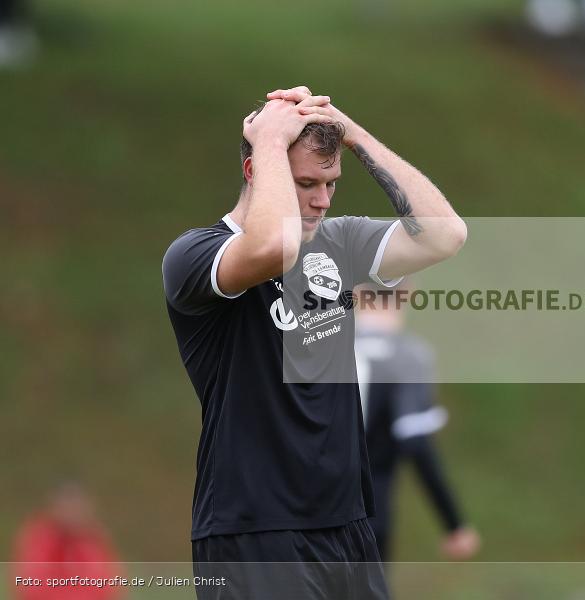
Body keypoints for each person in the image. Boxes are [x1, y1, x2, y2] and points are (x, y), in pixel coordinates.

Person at [162, 85, 466, 599]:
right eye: (306, 183)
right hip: (254, 532)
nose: (322, 200)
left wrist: (353, 134)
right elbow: (273, 247)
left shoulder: (337, 243)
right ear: (255, 170)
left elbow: (444, 234)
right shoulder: (195, 254)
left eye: (331, 183)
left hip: (346, 523)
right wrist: (270, 141)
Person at [355, 287, 481, 563]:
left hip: (303, 511)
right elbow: (415, 441)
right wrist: (454, 523)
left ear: (356, 291)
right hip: (368, 513)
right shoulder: (409, 355)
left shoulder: (318, 346)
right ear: (408, 291)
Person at [11, 482, 122, 600]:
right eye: (67, 507)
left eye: (77, 507)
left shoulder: (93, 539)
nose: (72, 513)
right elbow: (31, 586)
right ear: (54, 508)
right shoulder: (39, 538)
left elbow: (109, 585)